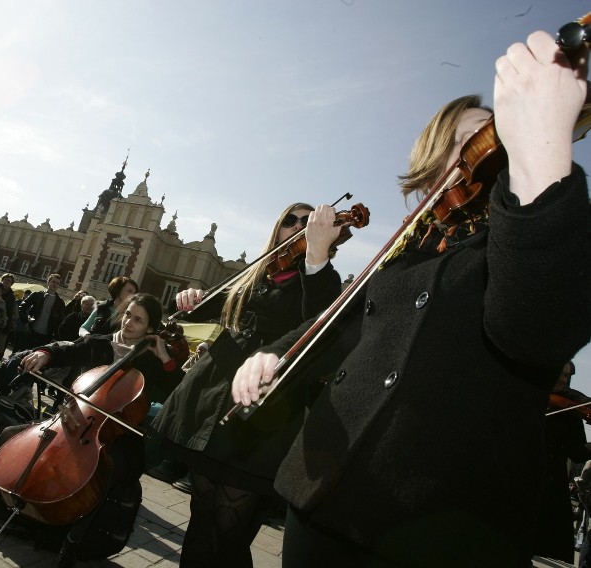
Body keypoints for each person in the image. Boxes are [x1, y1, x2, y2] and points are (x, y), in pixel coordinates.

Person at [229, 31, 591, 567]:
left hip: (446, 528)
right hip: (326, 492)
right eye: (475, 136)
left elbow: (537, 330)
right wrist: (274, 355)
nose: (492, 142)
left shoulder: (537, 226)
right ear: (438, 153)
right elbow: (339, 324)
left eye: (499, 132)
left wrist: (540, 148)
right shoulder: (408, 245)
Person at [0, 293, 184, 568]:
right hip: (75, 422)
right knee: (9, 435)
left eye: (138, 320)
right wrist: (45, 353)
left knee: (104, 472)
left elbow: (179, 390)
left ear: (150, 328)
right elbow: (69, 350)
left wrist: (164, 358)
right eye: (128, 316)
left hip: (119, 436)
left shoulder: (152, 359)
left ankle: (70, 548)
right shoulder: (101, 343)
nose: (129, 323)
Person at [150, 202, 343, 567]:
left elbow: (321, 328)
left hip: (261, 416)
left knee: (229, 532)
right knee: (201, 514)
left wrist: (317, 253)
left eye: (307, 221)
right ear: (278, 230)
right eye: (291, 221)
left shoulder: (322, 278)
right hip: (215, 401)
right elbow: (202, 308)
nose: (299, 226)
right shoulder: (257, 273)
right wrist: (189, 299)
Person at [536, 361, 591, 562]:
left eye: (567, 376)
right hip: (522, 473)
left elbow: (576, 453)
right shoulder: (526, 397)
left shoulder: (571, 407)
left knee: (550, 540)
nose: (563, 379)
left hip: (552, 481)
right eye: (559, 373)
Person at [18, 273, 66, 349]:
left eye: (57, 283)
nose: (55, 284)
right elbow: (22, 307)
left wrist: (55, 336)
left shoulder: (60, 302)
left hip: (46, 336)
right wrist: (25, 321)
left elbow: (61, 321)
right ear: (48, 282)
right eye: (53, 282)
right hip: (31, 330)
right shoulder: (37, 295)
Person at [0, 273, 19, 361]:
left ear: (11, 284)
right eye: (5, 280)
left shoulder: (11, 296)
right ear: (2, 280)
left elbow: (10, 312)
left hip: (0, 319)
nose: (7, 282)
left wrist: (6, 322)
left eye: (9, 281)